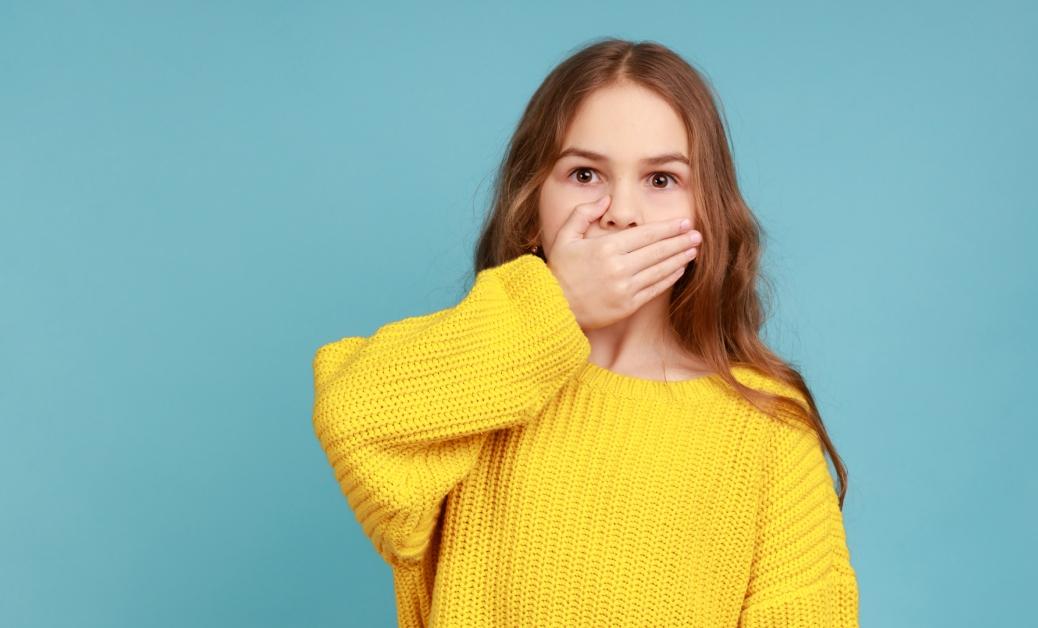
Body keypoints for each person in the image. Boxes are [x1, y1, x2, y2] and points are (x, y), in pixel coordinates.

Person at [312, 37, 859, 627]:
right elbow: (353, 416)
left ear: (708, 212)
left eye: (661, 180)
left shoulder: (766, 424)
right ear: (530, 211)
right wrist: (554, 304)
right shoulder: (477, 387)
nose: (620, 211)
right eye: (584, 173)